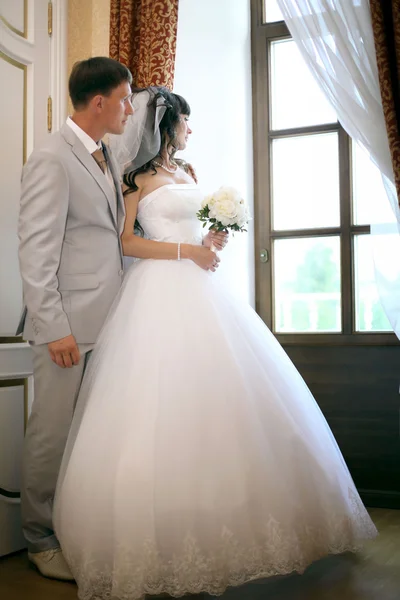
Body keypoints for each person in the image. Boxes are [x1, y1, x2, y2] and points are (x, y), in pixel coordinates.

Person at [54, 87, 377, 600]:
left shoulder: (190, 173)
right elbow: (126, 241)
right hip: (157, 290)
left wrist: (211, 241)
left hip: (204, 288)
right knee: (160, 406)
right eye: (185, 121)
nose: (190, 130)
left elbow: (198, 226)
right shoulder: (136, 178)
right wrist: (187, 249)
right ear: (167, 125)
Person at [17, 56, 136, 581]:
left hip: (107, 321)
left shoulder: (105, 154)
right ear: (99, 102)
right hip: (67, 327)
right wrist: (54, 326)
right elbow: (36, 250)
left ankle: (74, 528)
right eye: (126, 98)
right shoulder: (51, 157)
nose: (131, 109)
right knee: (52, 434)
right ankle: (38, 540)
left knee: (87, 437)